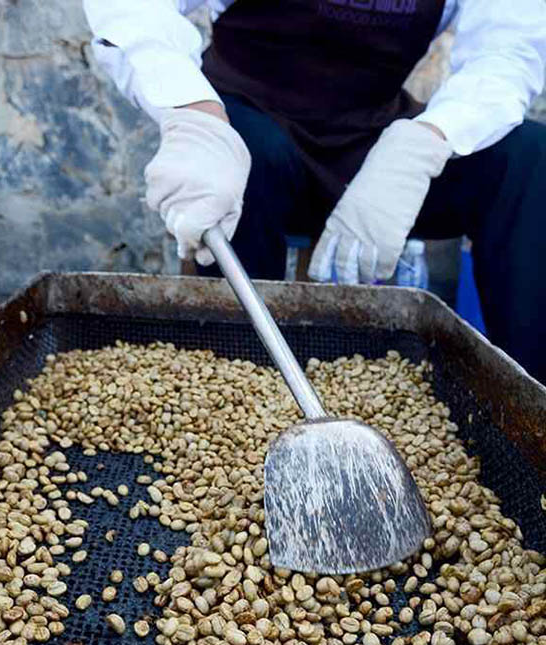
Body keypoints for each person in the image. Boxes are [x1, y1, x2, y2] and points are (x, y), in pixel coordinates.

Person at [83, 0, 546, 383]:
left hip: (368, 142)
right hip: (248, 122)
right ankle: (235, 381)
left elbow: (506, 53)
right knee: (256, 153)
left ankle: (530, 413)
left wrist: (424, 142)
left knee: (528, 157)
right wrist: (194, 112)